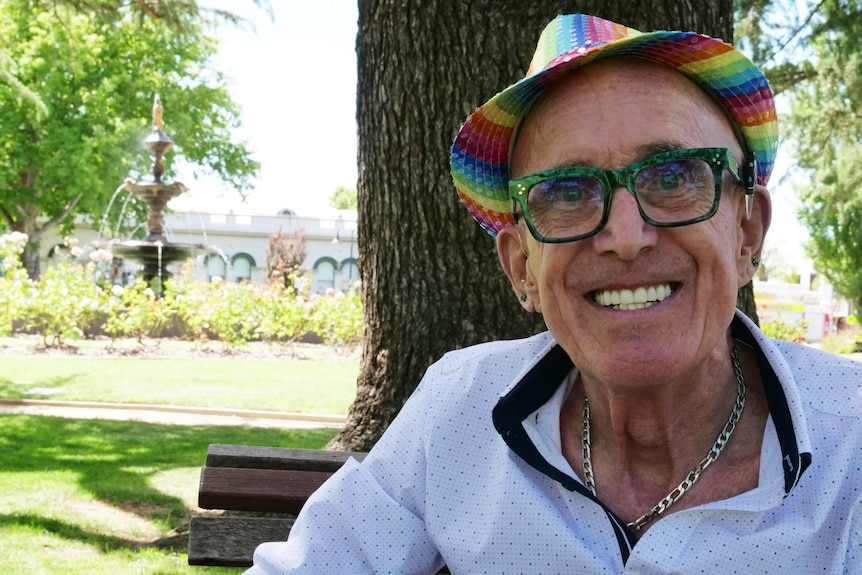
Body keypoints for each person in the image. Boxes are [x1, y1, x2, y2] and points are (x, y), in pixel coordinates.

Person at [246, 14, 862, 574]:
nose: (625, 237)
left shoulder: (852, 441)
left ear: (747, 232)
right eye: (567, 192)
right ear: (523, 268)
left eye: (674, 176)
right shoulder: (459, 409)